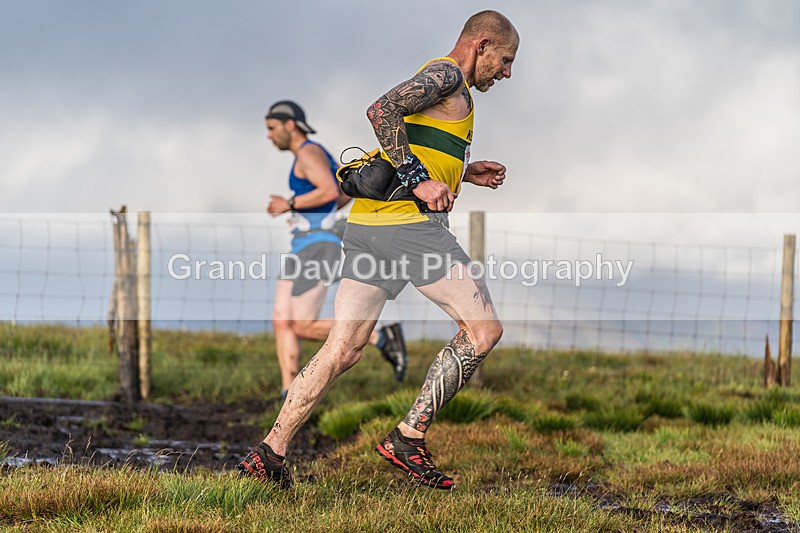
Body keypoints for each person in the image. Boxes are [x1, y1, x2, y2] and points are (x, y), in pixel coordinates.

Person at [240, 11, 518, 490]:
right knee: (484, 330)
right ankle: (408, 437)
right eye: (505, 60)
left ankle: (271, 451)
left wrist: (463, 173)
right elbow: (381, 111)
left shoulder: (452, 89)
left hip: (368, 227)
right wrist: (419, 180)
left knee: (343, 349)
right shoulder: (447, 74)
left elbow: (413, 139)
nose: (507, 72)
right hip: (407, 228)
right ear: (483, 43)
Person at [262, 100, 409, 400]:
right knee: (281, 319)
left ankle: (378, 336)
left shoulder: (308, 153)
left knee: (301, 324)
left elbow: (329, 190)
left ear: (290, 125)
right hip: (303, 243)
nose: (269, 135)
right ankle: (289, 389)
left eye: (272, 128)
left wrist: (289, 204)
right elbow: (341, 195)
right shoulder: (309, 154)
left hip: (317, 246)